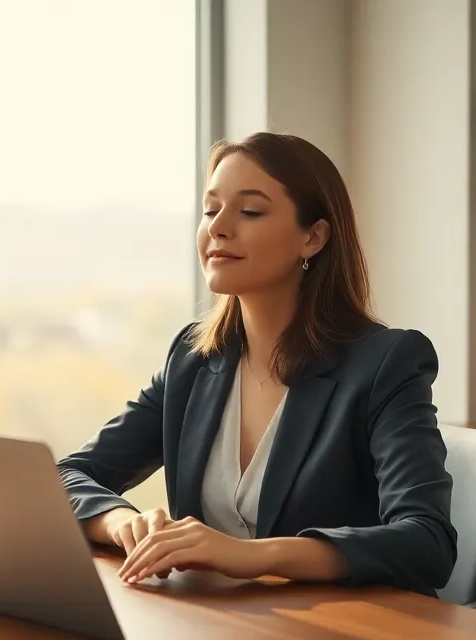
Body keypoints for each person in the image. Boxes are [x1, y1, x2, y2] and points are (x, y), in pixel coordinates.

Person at [56, 132, 455, 597]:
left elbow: (426, 541)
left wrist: (251, 555)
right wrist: (122, 522)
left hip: (340, 630)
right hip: (218, 626)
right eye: (211, 210)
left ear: (313, 237)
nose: (219, 228)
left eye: (249, 211)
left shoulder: (385, 363)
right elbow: (67, 476)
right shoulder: (192, 359)